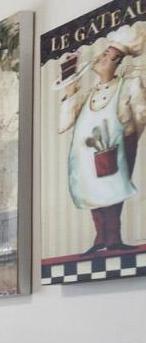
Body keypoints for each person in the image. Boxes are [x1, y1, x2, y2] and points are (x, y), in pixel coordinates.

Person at [60, 25, 144, 253]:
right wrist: (69, 82)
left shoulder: (129, 85)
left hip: (117, 147)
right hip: (86, 154)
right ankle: (100, 239)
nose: (99, 57)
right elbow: (65, 122)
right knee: (91, 189)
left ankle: (114, 238)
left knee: (112, 189)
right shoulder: (89, 94)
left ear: (116, 61)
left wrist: (128, 138)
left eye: (106, 55)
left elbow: (140, 116)